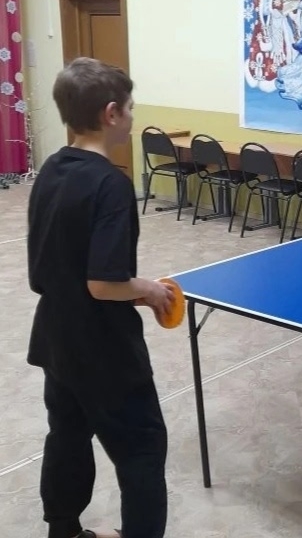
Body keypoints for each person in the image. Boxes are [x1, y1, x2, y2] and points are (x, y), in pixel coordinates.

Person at [27, 57, 175, 538]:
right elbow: (103, 283)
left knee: (67, 434)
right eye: (130, 109)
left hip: (56, 337)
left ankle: (64, 530)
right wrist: (147, 289)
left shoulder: (51, 169)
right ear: (111, 113)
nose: (132, 117)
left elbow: (68, 266)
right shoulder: (111, 183)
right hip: (103, 348)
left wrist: (127, 289)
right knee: (142, 449)